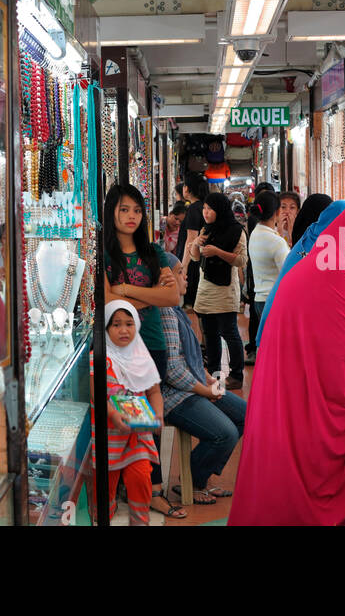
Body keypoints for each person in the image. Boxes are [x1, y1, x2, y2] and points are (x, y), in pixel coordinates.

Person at [229, 196, 345, 526]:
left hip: (294, 396)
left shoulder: (336, 263)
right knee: (304, 497)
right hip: (302, 407)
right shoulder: (337, 273)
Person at [159, 256, 248, 505]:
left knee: (244, 414)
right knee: (225, 433)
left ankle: (202, 472)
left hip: (193, 384)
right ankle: (193, 479)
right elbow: (173, 371)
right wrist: (206, 390)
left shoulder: (176, 310)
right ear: (165, 279)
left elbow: (192, 358)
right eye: (179, 272)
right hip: (175, 395)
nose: (185, 276)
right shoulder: (166, 313)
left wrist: (209, 381)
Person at [103, 300, 186, 522]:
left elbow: (154, 392)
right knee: (105, 494)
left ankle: (140, 520)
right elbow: (98, 395)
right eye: (116, 324)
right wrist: (113, 414)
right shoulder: (101, 358)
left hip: (138, 436)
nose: (123, 330)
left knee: (141, 479)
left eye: (129, 324)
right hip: (108, 441)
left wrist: (158, 415)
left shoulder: (142, 357)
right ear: (106, 328)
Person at [102, 184, 180, 376]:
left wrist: (124, 289)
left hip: (152, 341)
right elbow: (106, 300)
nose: (132, 216)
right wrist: (152, 297)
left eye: (137, 210)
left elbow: (172, 297)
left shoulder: (154, 252)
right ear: (111, 211)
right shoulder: (102, 254)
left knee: (152, 404)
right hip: (116, 346)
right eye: (124, 210)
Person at [255, 198, 345, 346]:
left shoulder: (309, 237)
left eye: (292, 207)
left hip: (277, 321)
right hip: (287, 327)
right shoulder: (319, 246)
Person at [188, 192, 249, 390]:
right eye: (204, 208)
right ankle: (213, 373)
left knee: (229, 333)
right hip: (205, 289)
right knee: (209, 333)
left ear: (220, 210)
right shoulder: (206, 229)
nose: (206, 212)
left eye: (210, 209)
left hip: (225, 291)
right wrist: (196, 244)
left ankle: (236, 375)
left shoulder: (236, 231)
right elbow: (196, 259)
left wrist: (217, 252)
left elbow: (241, 260)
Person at [245, 192, 285, 363]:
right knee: (279, 351)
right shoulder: (276, 242)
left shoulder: (255, 233)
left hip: (260, 299)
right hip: (275, 300)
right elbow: (288, 271)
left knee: (269, 348)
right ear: (276, 212)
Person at [178, 176, 208, 303]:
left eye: (184, 186)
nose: (183, 188)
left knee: (191, 302)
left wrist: (183, 266)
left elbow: (191, 239)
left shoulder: (193, 209)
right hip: (200, 258)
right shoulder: (203, 207)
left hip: (192, 260)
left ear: (188, 189)